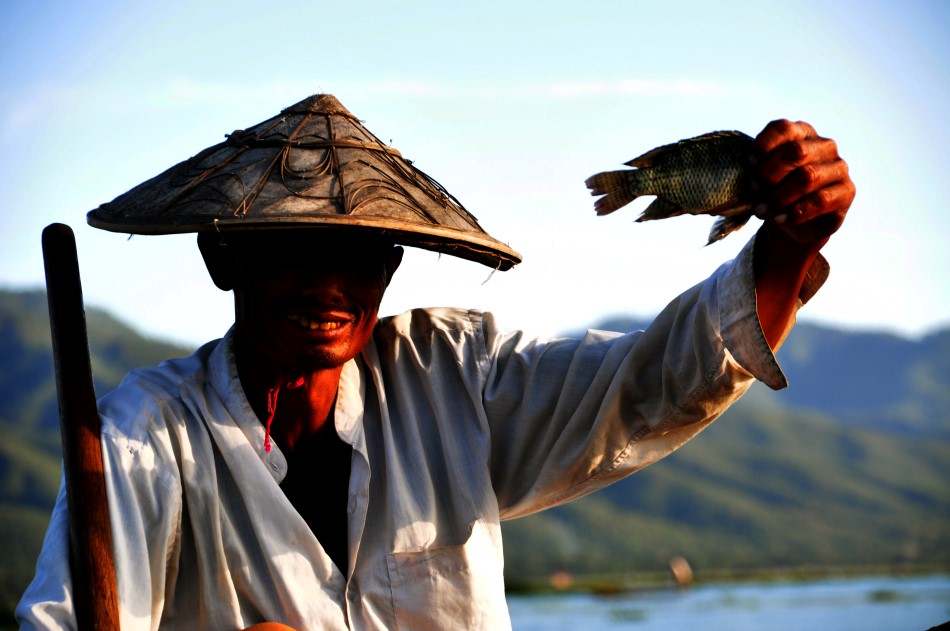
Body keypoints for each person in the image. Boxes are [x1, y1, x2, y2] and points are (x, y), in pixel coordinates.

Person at [17, 95, 854, 630]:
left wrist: (785, 244)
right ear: (223, 258)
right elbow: (62, 624)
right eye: (293, 249)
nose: (331, 284)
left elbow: (649, 383)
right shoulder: (145, 434)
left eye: (361, 256)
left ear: (390, 268)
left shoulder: (450, 373)